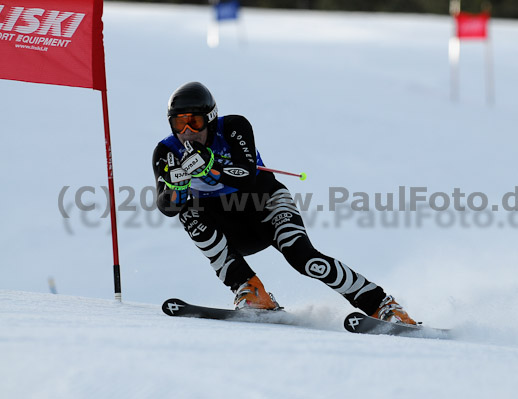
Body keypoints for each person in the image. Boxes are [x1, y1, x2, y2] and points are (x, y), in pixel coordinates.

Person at [152, 81, 416, 325]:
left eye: (195, 122)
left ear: (209, 118)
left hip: (263, 205)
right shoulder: (166, 152)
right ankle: (251, 290)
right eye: (179, 124)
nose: (187, 132)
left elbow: (246, 173)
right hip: (228, 225)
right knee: (188, 214)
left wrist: (213, 168)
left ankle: (382, 304)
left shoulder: (233, 127)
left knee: (305, 260)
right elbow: (167, 207)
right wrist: (177, 188)